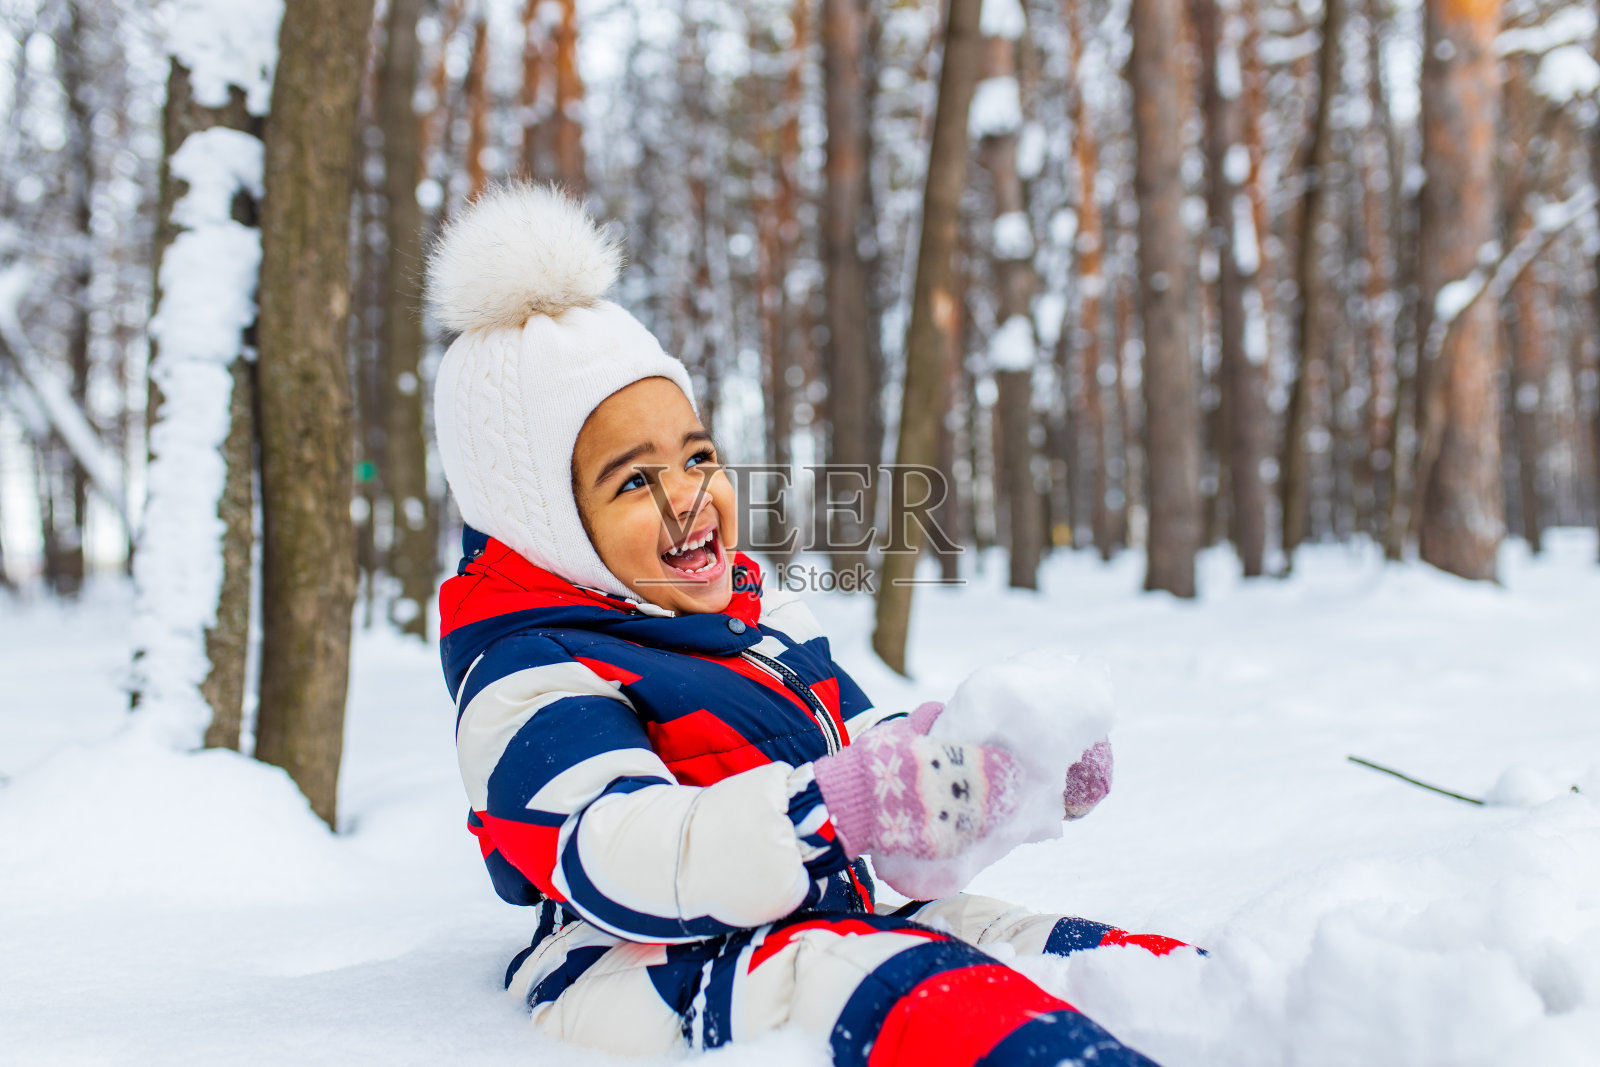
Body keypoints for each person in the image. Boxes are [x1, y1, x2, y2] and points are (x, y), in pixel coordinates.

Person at [426, 183, 1191, 1066]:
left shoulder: (760, 619)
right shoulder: (529, 668)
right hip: (641, 970)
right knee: (893, 988)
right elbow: (615, 850)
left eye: (698, 455)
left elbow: (871, 750)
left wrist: (1009, 770)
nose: (688, 495)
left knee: (1043, 951)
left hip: (836, 914)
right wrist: (837, 808)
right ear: (548, 525)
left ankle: (1224, 1019)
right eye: (634, 481)